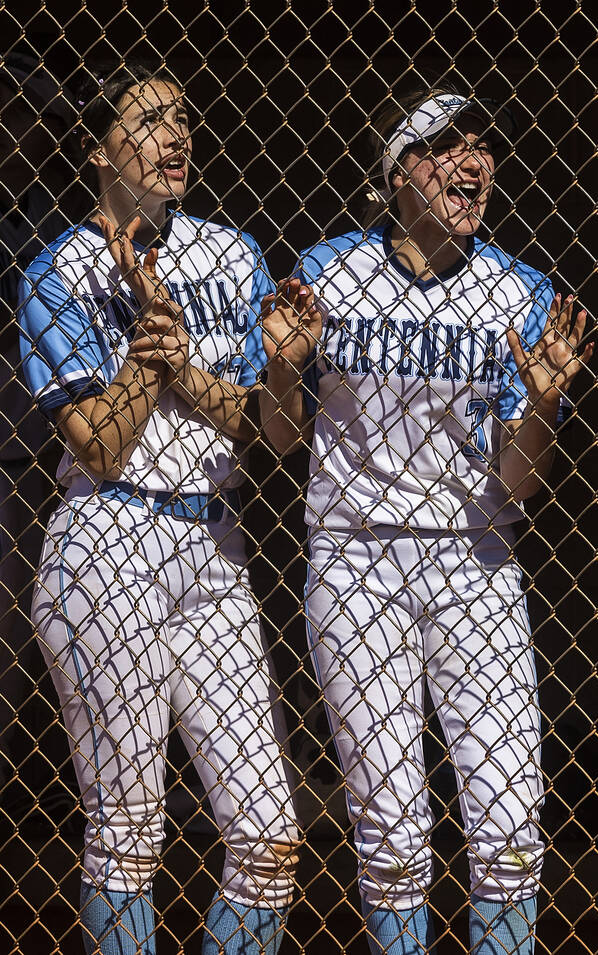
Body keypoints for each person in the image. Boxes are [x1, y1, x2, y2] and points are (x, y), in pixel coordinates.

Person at [259, 87, 591, 955]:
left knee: (512, 818)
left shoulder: (518, 288)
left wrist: (546, 407)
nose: (474, 158)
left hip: (476, 556)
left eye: (484, 143)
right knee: (394, 831)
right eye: (447, 144)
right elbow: (280, 436)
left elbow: (520, 481)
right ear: (400, 171)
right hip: (354, 555)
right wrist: (285, 369)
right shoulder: (328, 270)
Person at [19, 64, 299, 954]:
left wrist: (184, 365)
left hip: (213, 543)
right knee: (129, 831)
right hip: (107, 536)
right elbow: (97, 444)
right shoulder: (55, 271)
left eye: (184, 117)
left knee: (268, 836)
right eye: (148, 120)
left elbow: (273, 429)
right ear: (99, 148)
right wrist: (149, 344)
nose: (177, 135)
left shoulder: (234, 252)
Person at [0, 52, 78, 804]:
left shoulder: (56, 227)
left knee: (17, 628)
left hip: (24, 448)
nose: (17, 133)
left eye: (32, 120)